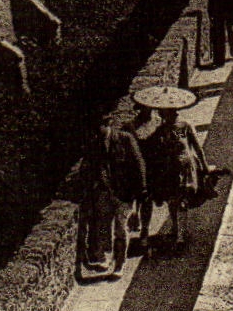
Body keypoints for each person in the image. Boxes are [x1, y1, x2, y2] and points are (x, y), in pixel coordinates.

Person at [138, 102, 209, 252]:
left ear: (171, 112)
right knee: (171, 199)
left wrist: (205, 166)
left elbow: (197, 147)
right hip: (170, 169)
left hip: (184, 168)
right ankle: (175, 228)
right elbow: (151, 144)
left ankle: (181, 237)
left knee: (182, 201)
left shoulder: (185, 125)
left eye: (162, 112)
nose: (160, 114)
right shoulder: (162, 129)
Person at [78, 124, 146, 280]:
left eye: (99, 127)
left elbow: (139, 164)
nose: (96, 132)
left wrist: (141, 191)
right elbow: (87, 166)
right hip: (104, 192)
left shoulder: (124, 139)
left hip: (124, 193)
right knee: (103, 226)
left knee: (121, 229)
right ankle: (106, 257)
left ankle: (120, 264)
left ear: (107, 125)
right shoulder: (95, 142)